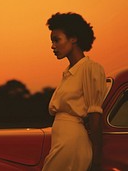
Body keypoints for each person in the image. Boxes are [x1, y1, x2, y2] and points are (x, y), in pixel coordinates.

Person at [42, 12, 107, 171]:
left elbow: (94, 115)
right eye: (52, 41)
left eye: (57, 40)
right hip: (60, 141)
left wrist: (97, 160)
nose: (53, 46)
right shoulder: (69, 72)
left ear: (74, 38)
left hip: (71, 143)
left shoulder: (90, 69)